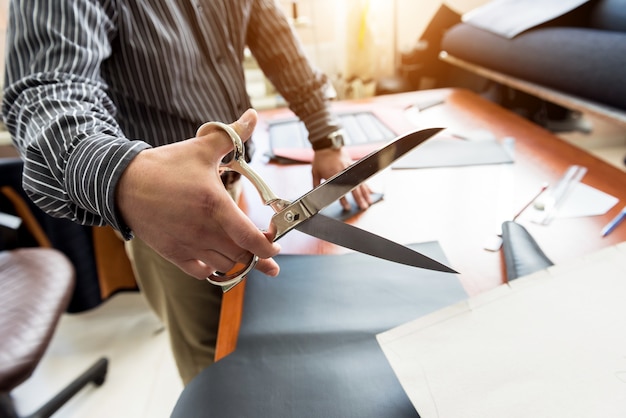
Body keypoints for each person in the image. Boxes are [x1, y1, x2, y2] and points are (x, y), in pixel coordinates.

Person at [2, 0, 371, 385]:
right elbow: (46, 92)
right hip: (162, 210)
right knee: (211, 360)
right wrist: (124, 176)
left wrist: (327, 135)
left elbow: (277, 40)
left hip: (236, 179)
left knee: (254, 329)